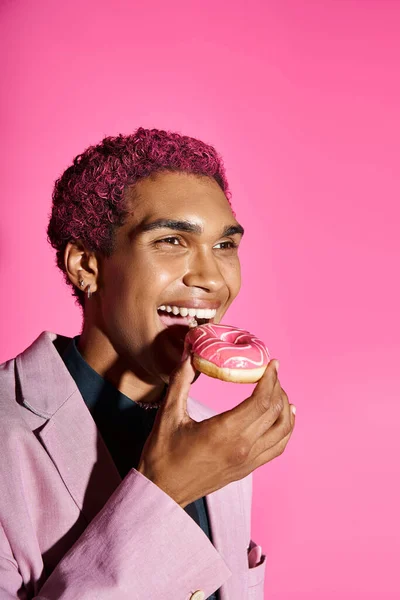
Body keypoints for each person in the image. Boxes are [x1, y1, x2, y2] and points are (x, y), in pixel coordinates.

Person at [0, 128, 296, 599]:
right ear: (86, 265)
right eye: (172, 241)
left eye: (224, 246)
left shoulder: (218, 436)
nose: (211, 279)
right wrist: (165, 492)